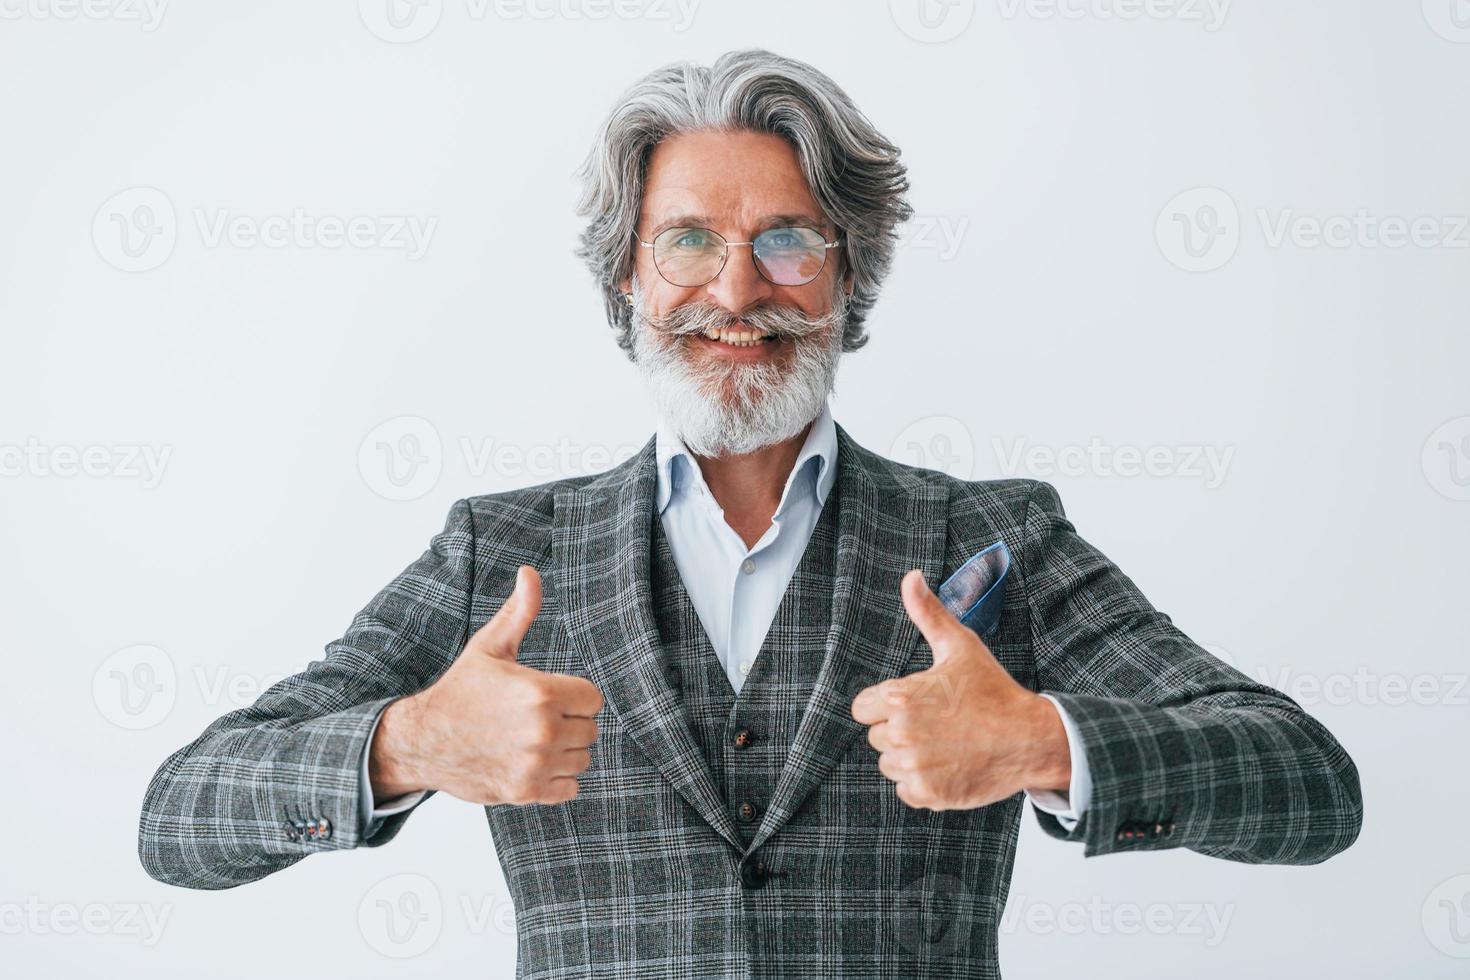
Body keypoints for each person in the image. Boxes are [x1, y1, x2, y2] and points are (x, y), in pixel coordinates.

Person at [139, 48, 1362, 979]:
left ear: (848, 270)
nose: (736, 291)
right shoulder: (498, 554)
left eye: (786, 240)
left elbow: (1313, 786)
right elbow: (178, 815)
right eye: (688, 240)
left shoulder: (996, 540)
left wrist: (1045, 736)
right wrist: (406, 742)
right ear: (629, 272)